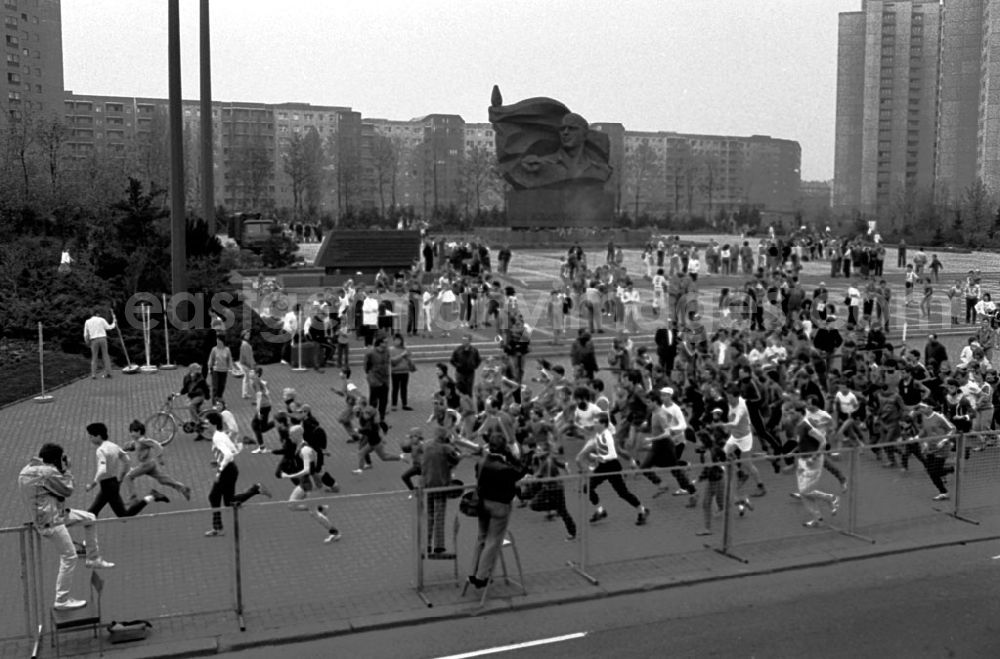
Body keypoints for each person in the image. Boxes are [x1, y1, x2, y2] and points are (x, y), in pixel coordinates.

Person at [19, 442, 115, 610]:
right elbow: (67, 489)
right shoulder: (48, 472)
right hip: (52, 521)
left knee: (90, 517)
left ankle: (93, 558)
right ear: (56, 459)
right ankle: (61, 600)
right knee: (69, 557)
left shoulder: (28, 470)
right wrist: (67, 470)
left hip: (51, 514)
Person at [467, 434, 527, 590]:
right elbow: (521, 470)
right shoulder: (505, 468)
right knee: (493, 540)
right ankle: (482, 576)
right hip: (499, 505)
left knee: (481, 537)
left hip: (482, 503)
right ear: (503, 449)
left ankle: (473, 572)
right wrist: (512, 456)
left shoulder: (480, 463)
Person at [204, 411, 271, 537]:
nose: (204, 425)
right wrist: (219, 461)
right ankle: (218, 528)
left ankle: (255, 489)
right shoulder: (221, 434)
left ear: (213, 424)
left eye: (206, 423)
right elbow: (233, 450)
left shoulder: (217, 437)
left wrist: (220, 469)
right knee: (220, 499)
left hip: (227, 472)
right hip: (229, 469)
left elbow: (228, 454)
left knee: (221, 500)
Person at [576, 413, 649, 526]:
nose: (594, 424)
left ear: (603, 424)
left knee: (623, 493)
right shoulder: (598, 435)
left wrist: (599, 457)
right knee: (587, 487)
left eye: (596, 422)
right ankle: (600, 511)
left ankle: (642, 510)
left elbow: (612, 454)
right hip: (602, 466)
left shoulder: (607, 436)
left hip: (612, 466)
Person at [85, 422, 168, 517]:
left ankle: (152, 496)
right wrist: (120, 478)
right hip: (113, 483)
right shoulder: (114, 446)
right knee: (96, 513)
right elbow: (127, 461)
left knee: (94, 514)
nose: (90, 439)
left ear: (98, 436)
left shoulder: (101, 450)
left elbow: (102, 469)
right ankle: (151, 496)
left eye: (91, 436)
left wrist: (93, 484)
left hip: (107, 485)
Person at [277, 424, 341, 544]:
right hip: (304, 482)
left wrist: (289, 476)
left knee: (314, 513)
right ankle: (321, 507)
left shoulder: (305, 450)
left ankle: (335, 532)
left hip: (312, 485)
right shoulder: (299, 447)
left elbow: (307, 470)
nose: (289, 437)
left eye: (291, 435)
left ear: (298, 435)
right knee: (291, 506)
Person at [122, 419, 191, 501]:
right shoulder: (137, 441)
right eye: (130, 432)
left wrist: (159, 457)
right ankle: (182, 488)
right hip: (149, 465)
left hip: (146, 465)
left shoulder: (143, 440)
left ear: (139, 432)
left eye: (133, 432)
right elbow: (134, 446)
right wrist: (127, 447)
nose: (131, 434)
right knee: (162, 480)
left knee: (128, 477)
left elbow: (157, 445)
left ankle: (133, 498)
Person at [364, 336, 391, 423]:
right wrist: (370, 375)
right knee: (374, 400)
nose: (387, 344)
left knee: (384, 400)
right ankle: (371, 416)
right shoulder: (371, 353)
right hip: (374, 378)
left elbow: (388, 362)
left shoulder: (387, 352)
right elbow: (366, 366)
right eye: (385, 342)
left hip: (385, 379)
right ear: (380, 343)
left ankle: (382, 416)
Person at [83, 308, 116, 379]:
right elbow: (109, 327)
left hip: (93, 340)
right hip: (102, 339)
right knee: (105, 356)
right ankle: (108, 373)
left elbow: (85, 334)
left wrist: (87, 342)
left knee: (94, 357)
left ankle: (93, 374)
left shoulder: (87, 322)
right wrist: (114, 323)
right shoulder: (101, 319)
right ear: (97, 314)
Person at [178, 362, 210, 427]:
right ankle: (199, 424)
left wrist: (207, 397)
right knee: (194, 409)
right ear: (192, 370)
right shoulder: (186, 378)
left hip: (199, 395)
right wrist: (179, 393)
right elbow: (185, 388)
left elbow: (206, 388)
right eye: (197, 369)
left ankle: (198, 421)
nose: (199, 371)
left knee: (191, 406)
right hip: (192, 396)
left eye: (199, 369)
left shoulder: (200, 379)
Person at [206, 333, 233, 400]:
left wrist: (231, 368)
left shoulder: (227, 350)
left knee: (222, 386)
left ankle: (219, 399)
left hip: (224, 371)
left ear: (222, 341)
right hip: (216, 370)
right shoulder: (214, 349)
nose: (217, 341)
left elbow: (229, 360)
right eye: (217, 340)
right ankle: (214, 402)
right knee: (215, 387)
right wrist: (209, 368)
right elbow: (211, 359)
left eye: (218, 340)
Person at [237, 330, 256, 399]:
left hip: (244, 363)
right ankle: (245, 394)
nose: (248, 336)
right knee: (249, 379)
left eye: (249, 335)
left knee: (247, 378)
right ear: (243, 336)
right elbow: (248, 356)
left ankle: (245, 393)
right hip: (246, 364)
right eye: (247, 335)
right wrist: (251, 366)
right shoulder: (245, 344)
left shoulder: (244, 344)